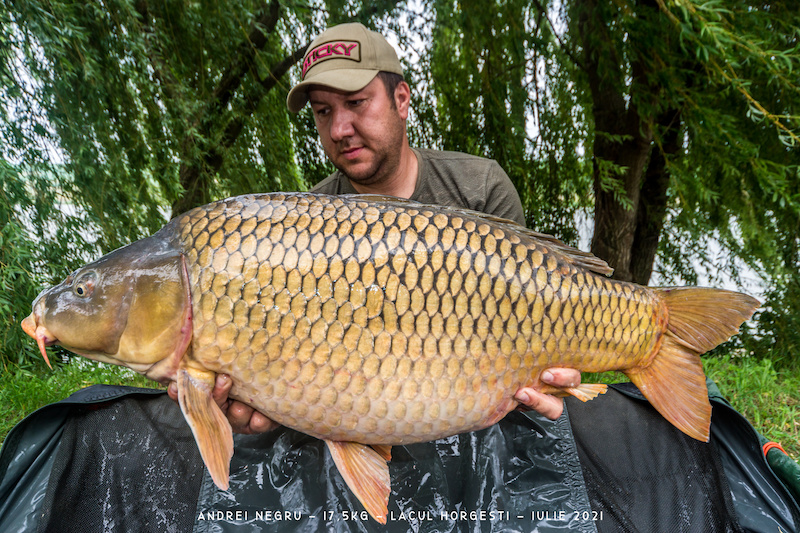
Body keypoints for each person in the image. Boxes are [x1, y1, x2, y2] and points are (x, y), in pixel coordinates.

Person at [169, 21, 582, 433]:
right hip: (364, 424)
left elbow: (533, 316)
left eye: (356, 103)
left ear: (401, 99)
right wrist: (271, 404)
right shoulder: (301, 226)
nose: (339, 130)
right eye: (323, 111)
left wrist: (549, 379)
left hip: (475, 428)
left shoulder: (480, 187)